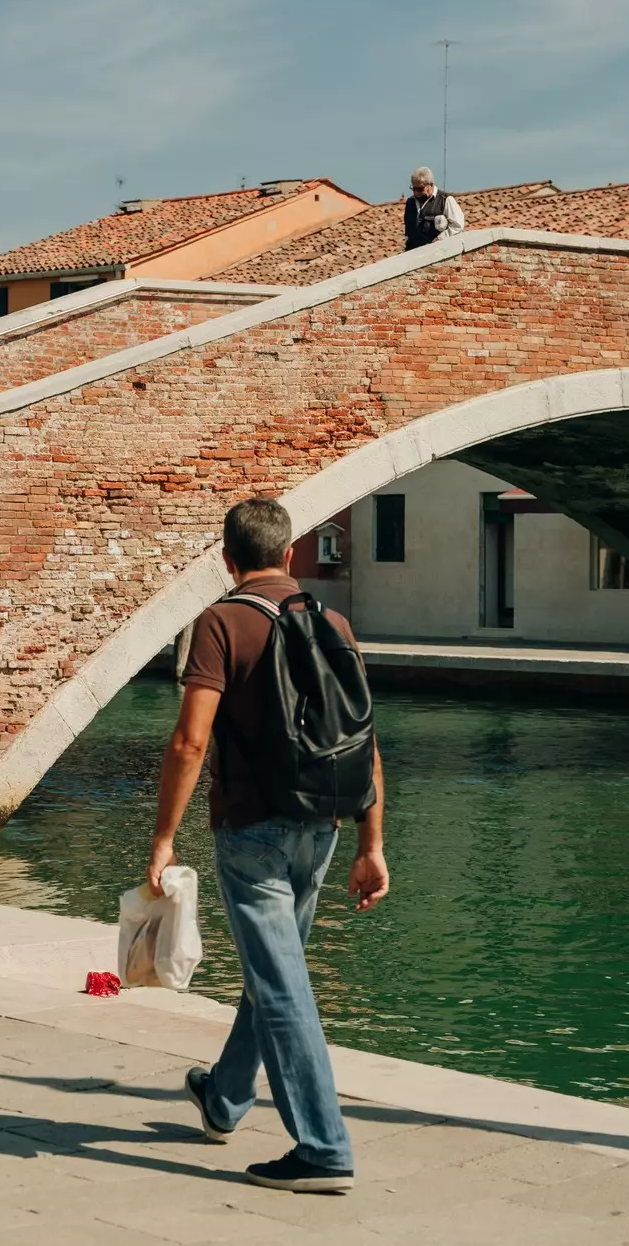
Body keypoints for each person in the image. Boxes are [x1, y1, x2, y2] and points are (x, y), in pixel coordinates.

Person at [148, 497, 389, 1193]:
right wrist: (371, 845)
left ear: (227, 560)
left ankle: (323, 1145)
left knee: (282, 984)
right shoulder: (333, 621)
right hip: (324, 825)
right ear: (290, 553)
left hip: (251, 829)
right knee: (272, 971)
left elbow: (191, 740)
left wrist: (163, 839)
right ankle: (224, 1094)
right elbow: (365, 741)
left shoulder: (221, 622)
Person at [403, 166, 465, 250]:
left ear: (431, 185)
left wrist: (440, 239)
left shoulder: (445, 200)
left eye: (420, 189)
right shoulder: (410, 203)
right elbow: (408, 230)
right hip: (413, 255)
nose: (416, 192)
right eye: (413, 188)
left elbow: (457, 226)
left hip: (436, 253)